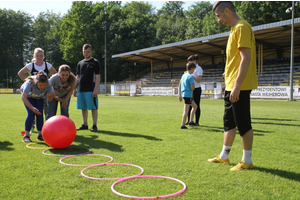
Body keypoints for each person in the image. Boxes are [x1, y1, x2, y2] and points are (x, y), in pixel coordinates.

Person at [208, 1, 257, 171]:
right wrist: (227, 76)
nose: (218, 20)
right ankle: (224, 156)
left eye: (218, 15)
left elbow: (246, 58)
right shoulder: (234, 29)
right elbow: (236, 60)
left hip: (239, 86)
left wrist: (236, 86)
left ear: (227, 11)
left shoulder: (242, 27)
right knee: (228, 122)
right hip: (231, 84)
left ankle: (247, 160)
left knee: (243, 122)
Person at [18, 48, 57, 130]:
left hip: (44, 92)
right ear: (34, 56)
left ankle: (46, 127)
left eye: (41, 55)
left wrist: (49, 83)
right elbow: (20, 73)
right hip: (33, 91)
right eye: (37, 55)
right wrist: (27, 81)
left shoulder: (47, 65)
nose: (39, 57)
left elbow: (55, 74)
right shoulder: (31, 65)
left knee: (44, 110)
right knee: (32, 110)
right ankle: (31, 127)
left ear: (43, 56)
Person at [20, 71, 53, 143]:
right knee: (31, 113)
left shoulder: (49, 84)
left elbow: (50, 99)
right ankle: (26, 136)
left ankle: (40, 134)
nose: (42, 87)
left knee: (39, 113)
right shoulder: (30, 83)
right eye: (40, 85)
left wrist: (50, 96)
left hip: (39, 97)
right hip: (28, 96)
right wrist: (32, 108)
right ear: (36, 82)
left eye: (44, 85)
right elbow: (23, 97)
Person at [74, 44, 101, 132]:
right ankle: (85, 124)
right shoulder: (80, 63)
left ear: (91, 52)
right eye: (84, 51)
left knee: (93, 107)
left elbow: (97, 76)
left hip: (90, 89)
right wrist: (75, 88)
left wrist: (96, 89)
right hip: (81, 89)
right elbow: (77, 76)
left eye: (88, 51)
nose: (86, 53)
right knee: (83, 107)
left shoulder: (95, 62)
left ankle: (94, 125)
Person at [178, 62, 197, 129]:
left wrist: (179, 94)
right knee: (186, 110)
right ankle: (183, 125)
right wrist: (193, 86)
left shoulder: (184, 75)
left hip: (185, 94)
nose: (194, 71)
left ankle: (190, 121)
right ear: (191, 68)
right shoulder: (191, 77)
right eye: (194, 69)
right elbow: (192, 88)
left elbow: (180, 85)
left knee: (195, 106)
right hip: (188, 95)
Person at [186, 54, 203, 126]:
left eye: (191, 61)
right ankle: (189, 120)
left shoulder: (199, 69)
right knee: (189, 105)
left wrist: (192, 75)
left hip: (197, 89)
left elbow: (199, 80)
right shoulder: (191, 68)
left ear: (195, 61)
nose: (190, 63)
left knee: (196, 105)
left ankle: (197, 121)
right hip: (191, 89)